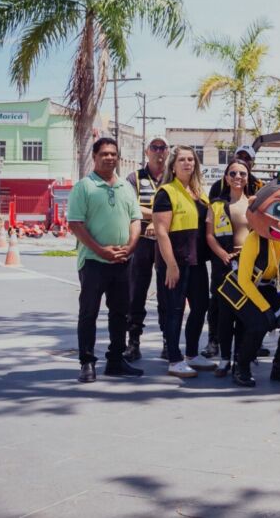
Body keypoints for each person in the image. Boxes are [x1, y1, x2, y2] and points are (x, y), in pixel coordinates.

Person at [214, 179, 280, 387]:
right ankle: (242, 366)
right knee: (259, 323)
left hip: (270, 287)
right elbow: (244, 280)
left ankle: (279, 366)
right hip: (242, 288)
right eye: (279, 211)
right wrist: (265, 309)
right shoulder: (255, 239)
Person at [66, 138, 143, 383]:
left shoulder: (125, 187)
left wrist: (130, 247)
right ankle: (87, 362)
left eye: (113, 154)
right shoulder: (84, 187)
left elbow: (136, 219)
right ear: (95, 157)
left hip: (122, 261)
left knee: (120, 313)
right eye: (104, 154)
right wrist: (100, 250)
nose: (109, 158)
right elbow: (75, 224)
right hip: (93, 261)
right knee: (89, 313)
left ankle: (116, 360)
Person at [153, 145, 214, 378]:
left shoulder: (200, 193)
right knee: (174, 310)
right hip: (175, 262)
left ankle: (191, 353)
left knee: (200, 307)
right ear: (173, 166)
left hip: (196, 261)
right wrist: (170, 265)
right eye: (182, 160)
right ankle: (174, 359)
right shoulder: (166, 192)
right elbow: (161, 231)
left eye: (191, 159)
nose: (187, 163)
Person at [206, 159, 251, 377]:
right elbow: (209, 235)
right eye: (233, 173)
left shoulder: (254, 203)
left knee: (244, 315)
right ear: (226, 178)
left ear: (247, 178)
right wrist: (222, 254)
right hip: (223, 265)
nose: (237, 177)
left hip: (247, 266)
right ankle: (224, 359)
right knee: (224, 316)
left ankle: (241, 358)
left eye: (242, 173)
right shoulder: (216, 205)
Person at [124, 135, 168, 362]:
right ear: (147, 151)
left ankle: (168, 341)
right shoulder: (134, 177)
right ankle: (133, 342)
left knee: (167, 294)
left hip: (166, 242)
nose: (159, 151)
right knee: (136, 293)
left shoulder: (173, 177)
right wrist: (159, 216)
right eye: (155, 147)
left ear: (168, 152)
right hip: (140, 242)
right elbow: (131, 206)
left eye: (163, 147)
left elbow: (179, 207)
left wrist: (155, 221)